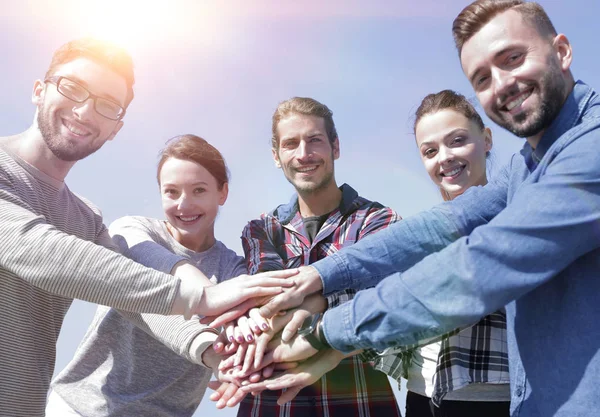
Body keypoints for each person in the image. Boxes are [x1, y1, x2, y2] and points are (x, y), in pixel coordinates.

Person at [240, 1, 600, 415]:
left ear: (562, 51)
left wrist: (327, 332)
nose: (501, 84)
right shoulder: (525, 164)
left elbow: (483, 264)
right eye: (481, 77)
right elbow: (441, 224)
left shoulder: (589, 150)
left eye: (513, 58)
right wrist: (320, 274)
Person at [0, 38, 292, 416]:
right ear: (39, 91)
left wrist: (214, 354)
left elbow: (140, 300)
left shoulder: (85, 218)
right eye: (71, 87)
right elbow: (33, 247)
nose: (85, 111)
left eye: (106, 104)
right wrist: (201, 297)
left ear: (115, 129)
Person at [231, 97, 403, 417]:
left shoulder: (379, 220)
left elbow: (383, 303)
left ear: (335, 147)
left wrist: (315, 304)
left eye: (314, 141)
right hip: (270, 404)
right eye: (291, 144)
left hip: (360, 403)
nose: (303, 154)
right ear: (276, 157)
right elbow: (267, 299)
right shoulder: (262, 229)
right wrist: (336, 300)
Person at [376, 90, 510, 417]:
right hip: (422, 396)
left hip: (493, 400)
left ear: (487, 139)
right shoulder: (423, 233)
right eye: (430, 151)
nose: (444, 157)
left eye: (457, 140)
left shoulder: (516, 220)